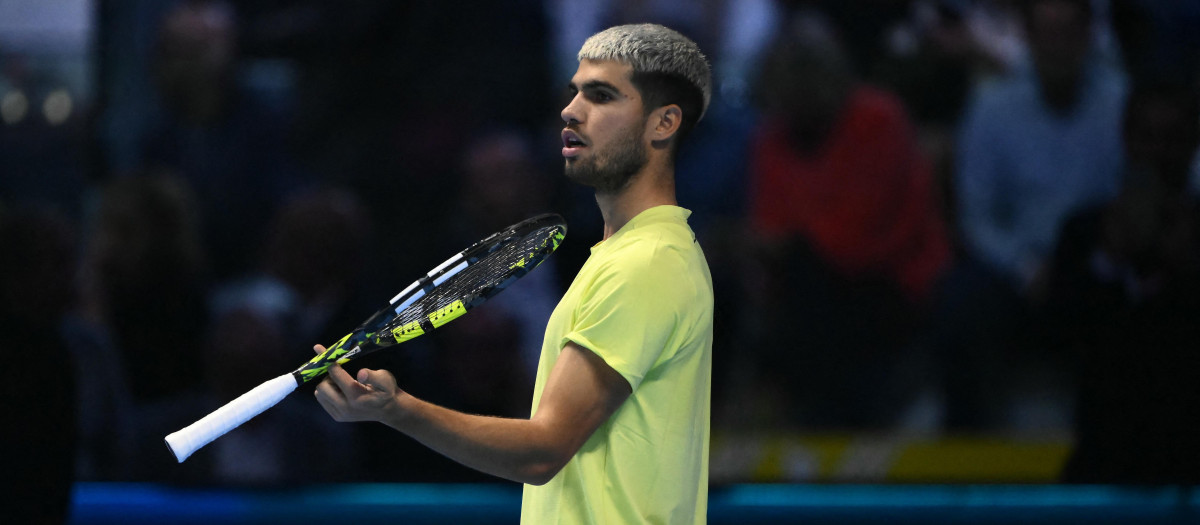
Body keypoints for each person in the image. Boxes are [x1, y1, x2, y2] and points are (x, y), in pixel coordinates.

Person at [313, 24, 714, 524]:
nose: (571, 111)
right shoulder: (624, 255)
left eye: (602, 96)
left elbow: (543, 450)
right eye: (573, 94)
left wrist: (396, 409)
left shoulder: (646, 264)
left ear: (664, 123)